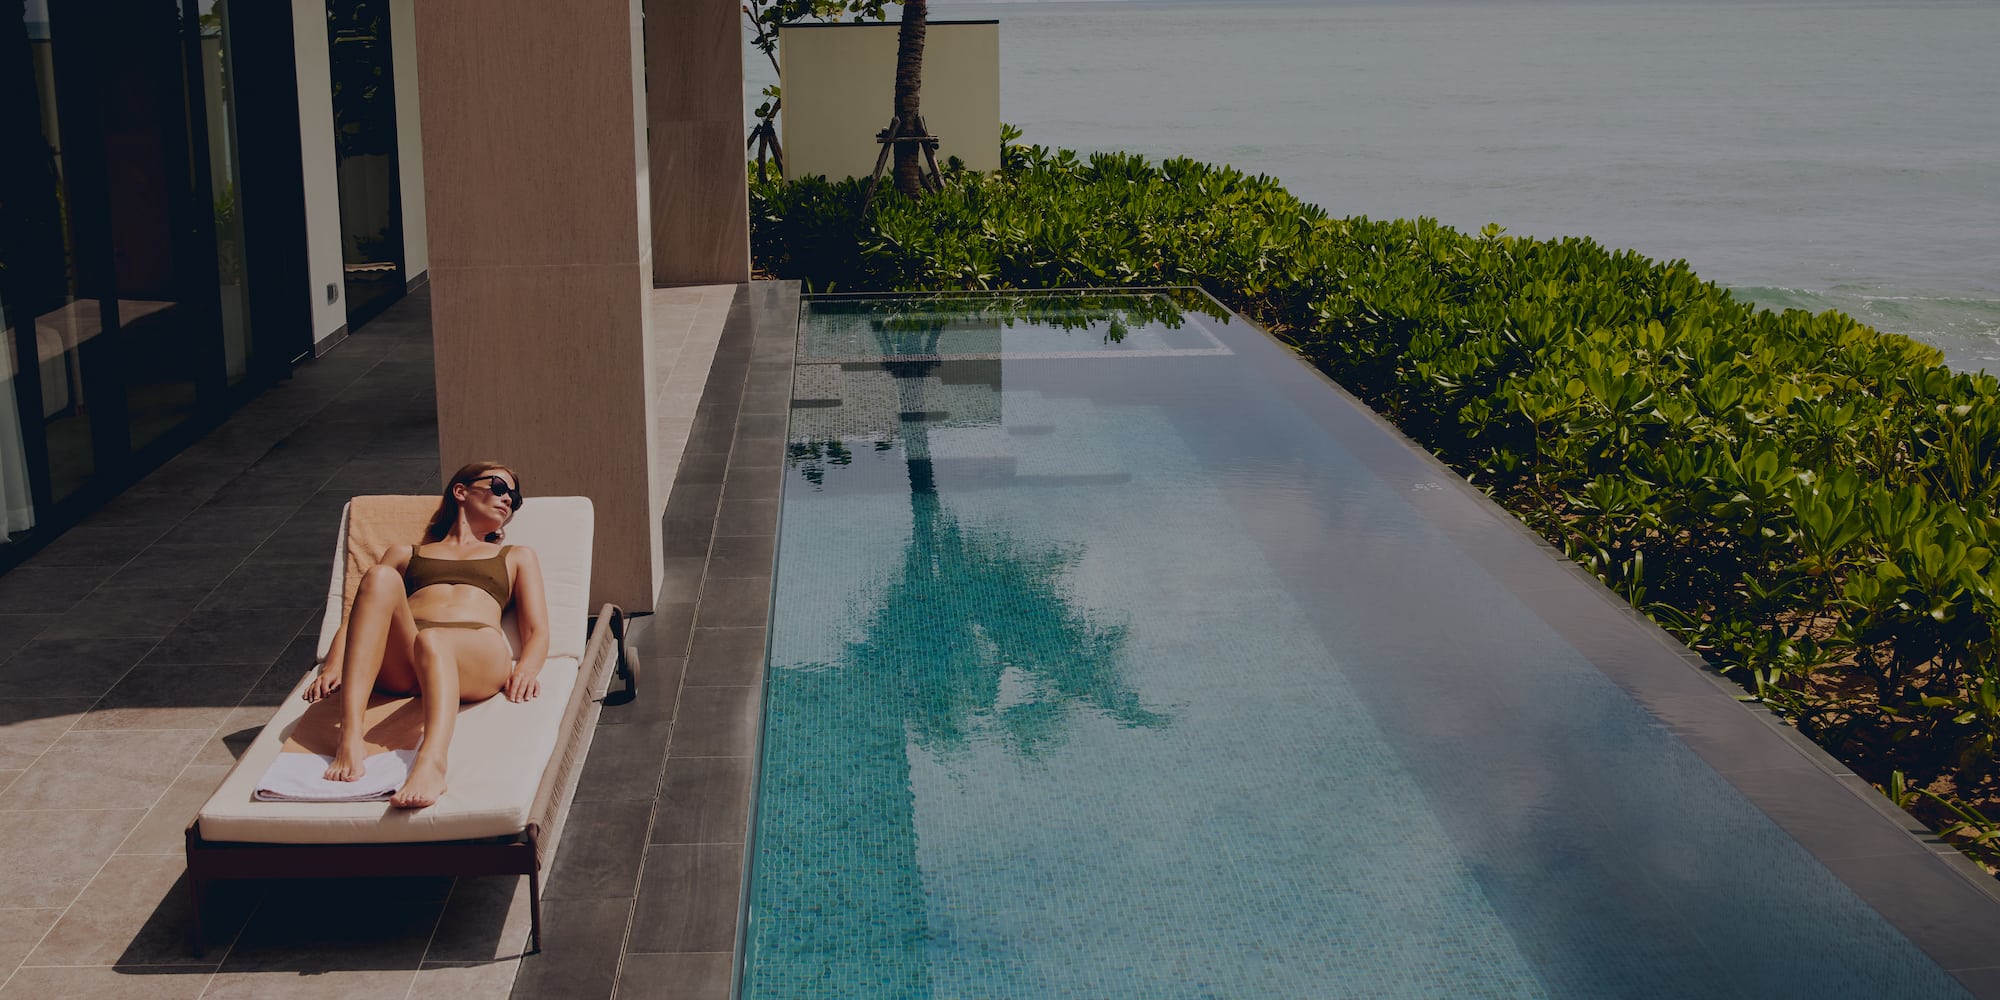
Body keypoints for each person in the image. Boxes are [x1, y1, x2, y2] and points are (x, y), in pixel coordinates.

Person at [303, 462, 550, 809]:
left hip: (475, 654)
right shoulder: (406, 553)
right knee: (378, 577)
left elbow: (537, 629)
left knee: (434, 640)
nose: (508, 498)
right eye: (498, 486)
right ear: (461, 491)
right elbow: (361, 615)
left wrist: (527, 668)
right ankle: (349, 736)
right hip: (408, 658)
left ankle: (432, 762)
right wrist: (333, 664)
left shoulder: (516, 555)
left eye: (515, 497)